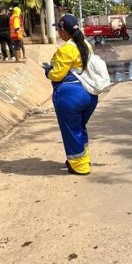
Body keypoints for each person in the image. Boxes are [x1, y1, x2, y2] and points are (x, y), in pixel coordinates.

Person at [44, 13, 99, 175]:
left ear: (63, 30)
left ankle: (80, 166)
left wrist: (48, 72)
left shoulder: (67, 48)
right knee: (79, 128)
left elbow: (57, 74)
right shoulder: (85, 45)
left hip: (70, 96)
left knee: (71, 131)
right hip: (89, 95)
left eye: (58, 29)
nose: (58, 33)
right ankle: (84, 158)